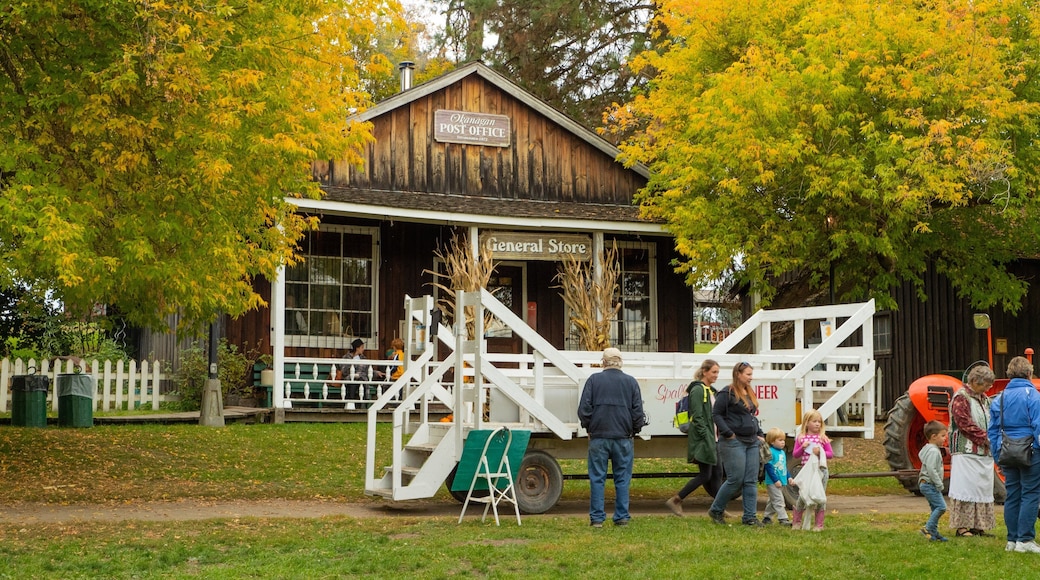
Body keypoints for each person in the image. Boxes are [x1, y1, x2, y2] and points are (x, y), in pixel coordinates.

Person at [578, 347, 646, 528]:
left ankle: (597, 519)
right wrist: (634, 430)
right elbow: (638, 412)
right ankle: (622, 517)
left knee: (597, 478)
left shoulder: (594, 380)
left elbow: (583, 410)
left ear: (604, 362)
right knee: (622, 478)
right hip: (623, 437)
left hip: (599, 436)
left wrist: (589, 428)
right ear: (620, 362)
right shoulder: (631, 382)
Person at [987, 356, 1040, 554]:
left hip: (1006, 450)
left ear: (1009, 375)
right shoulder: (1033, 396)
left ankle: (1012, 539)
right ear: (1029, 373)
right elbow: (1039, 426)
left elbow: (992, 430)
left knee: (1013, 495)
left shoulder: (999, 398)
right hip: (1031, 450)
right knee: (1031, 494)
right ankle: (1025, 540)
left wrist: (997, 455)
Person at [707, 361, 765, 527]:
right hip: (734, 441)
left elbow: (750, 416)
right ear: (738, 374)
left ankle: (750, 517)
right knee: (736, 479)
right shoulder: (727, 392)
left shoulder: (749, 392)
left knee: (751, 480)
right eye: (748, 374)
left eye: (751, 374)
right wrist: (728, 433)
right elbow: (716, 414)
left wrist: (759, 433)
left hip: (752, 441)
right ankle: (716, 510)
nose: (750, 378)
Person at [665, 359, 722, 516]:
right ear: (704, 372)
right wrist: (706, 436)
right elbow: (697, 417)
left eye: (718, 372)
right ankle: (676, 499)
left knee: (717, 473)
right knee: (706, 474)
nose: (716, 375)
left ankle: (719, 509)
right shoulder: (698, 390)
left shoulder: (711, 390)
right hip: (706, 439)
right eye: (714, 372)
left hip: (714, 438)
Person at [947, 365, 996, 538]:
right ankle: (962, 527)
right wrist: (986, 439)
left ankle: (978, 526)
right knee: (966, 488)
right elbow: (964, 424)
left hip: (983, 452)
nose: (988, 388)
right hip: (966, 451)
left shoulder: (985, 399)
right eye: (986, 385)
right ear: (975, 381)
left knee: (981, 488)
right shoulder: (961, 397)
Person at [791, 409, 834, 531]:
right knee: (803, 496)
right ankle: (797, 521)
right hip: (806, 472)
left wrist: (820, 452)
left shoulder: (822, 438)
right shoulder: (801, 438)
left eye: (819, 422)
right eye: (814, 421)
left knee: (820, 496)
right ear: (807, 423)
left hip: (820, 472)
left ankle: (818, 524)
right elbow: (795, 455)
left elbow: (830, 454)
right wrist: (802, 448)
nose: (817, 424)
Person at [918, 420, 949, 542]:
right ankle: (928, 528)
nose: (945, 439)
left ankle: (934, 533)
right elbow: (931, 469)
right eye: (942, 436)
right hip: (930, 484)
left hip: (926, 484)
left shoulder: (927, 449)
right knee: (941, 507)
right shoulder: (933, 451)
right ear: (933, 437)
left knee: (935, 508)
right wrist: (939, 483)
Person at [762, 427, 791, 526]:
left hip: (782, 480)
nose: (783, 442)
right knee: (779, 500)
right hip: (773, 482)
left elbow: (784, 466)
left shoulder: (782, 452)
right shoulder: (770, 451)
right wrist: (775, 480)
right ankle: (783, 519)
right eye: (780, 440)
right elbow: (768, 466)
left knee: (772, 500)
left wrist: (789, 477)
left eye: (783, 440)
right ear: (772, 441)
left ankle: (767, 517)